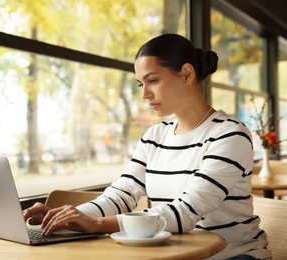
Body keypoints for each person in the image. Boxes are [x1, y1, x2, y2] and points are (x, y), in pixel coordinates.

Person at [23, 34, 272, 259]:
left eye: (152, 80)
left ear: (187, 74)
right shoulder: (155, 136)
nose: (145, 94)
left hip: (232, 255)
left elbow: (185, 212)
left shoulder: (229, 134)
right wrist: (66, 217)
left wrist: (98, 225)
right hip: (176, 254)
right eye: (141, 84)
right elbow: (121, 195)